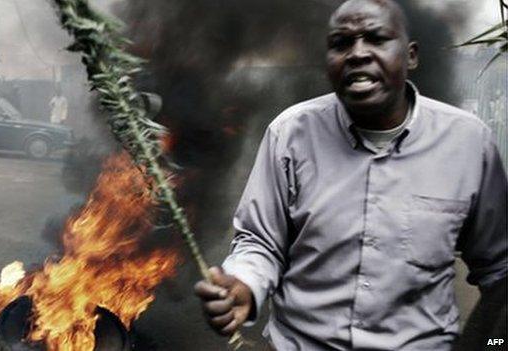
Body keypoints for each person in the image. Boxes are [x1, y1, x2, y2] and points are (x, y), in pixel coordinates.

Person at [194, 0, 507, 350]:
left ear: (411, 55)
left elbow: (500, 272)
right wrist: (244, 286)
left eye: (376, 39)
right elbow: (261, 241)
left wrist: (493, 343)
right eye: (341, 43)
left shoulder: (468, 143)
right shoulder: (290, 133)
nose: (357, 53)